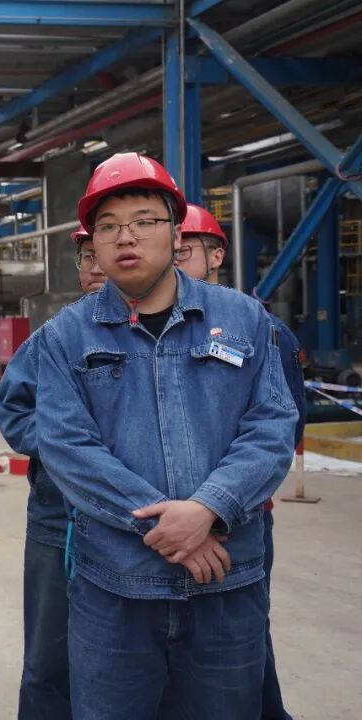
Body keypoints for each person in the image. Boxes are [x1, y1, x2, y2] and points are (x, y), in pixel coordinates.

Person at [4, 152, 296, 720]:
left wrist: (209, 508)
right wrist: (169, 526)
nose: (125, 237)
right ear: (93, 243)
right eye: (108, 226)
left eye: (143, 221)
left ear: (176, 232)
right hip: (115, 588)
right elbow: (68, 448)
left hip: (225, 584)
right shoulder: (65, 337)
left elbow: (272, 428)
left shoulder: (244, 320)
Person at [175, 202, 304, 720]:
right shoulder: (150, 331)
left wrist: (214, 506)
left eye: (185, 250)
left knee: (240, 642)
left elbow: (283, 427)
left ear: (216, 256)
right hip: (167, 523)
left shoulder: (261, 329)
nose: (173, 259)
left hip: (240, 521)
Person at [0, 224, 103, 720]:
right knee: (48, 657)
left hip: (142, 527)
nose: (97, 266)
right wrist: (68, 446)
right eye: (87, 256)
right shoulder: (55, 337)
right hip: (59, 520)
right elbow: (13, 408)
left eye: (103, 253)